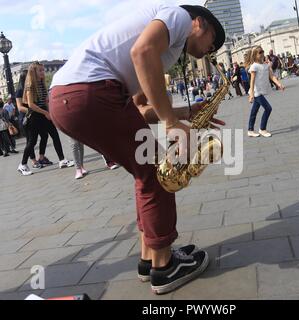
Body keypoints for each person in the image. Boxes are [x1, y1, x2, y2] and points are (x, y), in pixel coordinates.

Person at [49, 4, 225, 295]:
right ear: (200, 24)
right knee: (157, 173)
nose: (212, 51)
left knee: (146, 171)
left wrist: (184, 112)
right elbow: (141, 52)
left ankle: (150, 258)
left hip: (67, 98)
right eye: (213, 42)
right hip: (90, 91)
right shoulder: (178, 16)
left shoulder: (167, 47)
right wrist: (170, 123)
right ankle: (165, 267)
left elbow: (139, 110)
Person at [18, 62, 74, 176]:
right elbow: (31, 105)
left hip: (43, 113)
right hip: (34, 115)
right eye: (40, 70)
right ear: (34, 72)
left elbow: (46, 101)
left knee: (55, 135)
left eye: (43, 70)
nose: (43, 72)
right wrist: (45, 112)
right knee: (32, 142)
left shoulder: (41, 83)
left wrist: (50, 112)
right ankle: (22, 164)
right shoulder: (30, 85)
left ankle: (62, 160)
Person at [246, 46, 284, 138]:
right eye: (260, 52)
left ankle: (250, 130)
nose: (262, 53)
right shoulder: (254, 66)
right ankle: (262, 129)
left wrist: (279, 84)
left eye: (263, 51)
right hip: (256, 92)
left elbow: (272, 76)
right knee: (268, 108)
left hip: (261, 91)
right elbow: (252, 80)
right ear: (255, 55)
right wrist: (251, 94)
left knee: (254, 111)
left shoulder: (266, 65)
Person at [15, 70, 50, 171]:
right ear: (25, 78)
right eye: (29, 76)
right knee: (30, 141)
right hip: (26, 119)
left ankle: (41, 157)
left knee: (44, 135)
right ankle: (33, 161)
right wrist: (32, 110)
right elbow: (20, 107)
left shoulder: (31, 88)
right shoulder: (20, 90)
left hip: (35, 118)